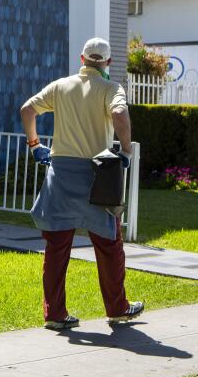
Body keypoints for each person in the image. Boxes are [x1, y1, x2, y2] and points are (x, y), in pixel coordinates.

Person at [19, 37, 145, 331]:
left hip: (60, 175)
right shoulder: (111, 88)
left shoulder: (61, 86)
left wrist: (35, 144)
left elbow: (27, 110)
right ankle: (117, 308)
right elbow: (119, 113)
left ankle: (54, 313)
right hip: (96, 175)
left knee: (56, 246)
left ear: (82, 58)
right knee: (109, 244)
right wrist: (125, 150)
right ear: (108, 63)